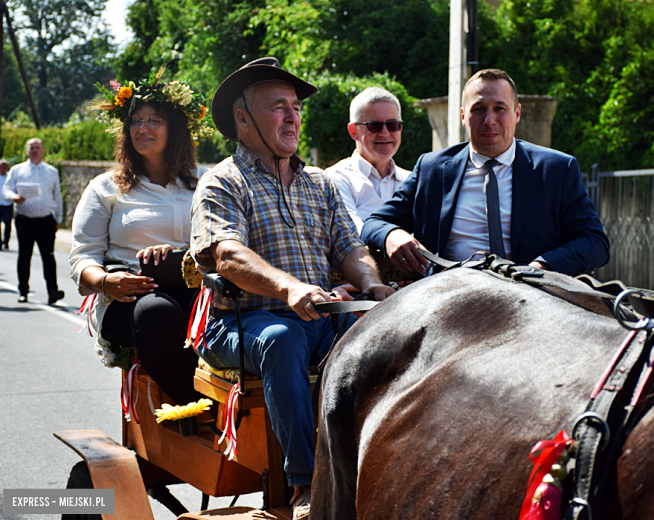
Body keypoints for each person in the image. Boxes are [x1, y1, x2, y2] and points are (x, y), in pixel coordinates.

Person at [191, 57, 394, 520]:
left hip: (317, 317)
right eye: (278, 107)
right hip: (239, 324)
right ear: (242, 120)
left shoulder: (319, 183)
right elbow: (228, 255)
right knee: (281, 340)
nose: (292, 116)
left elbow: (350, 247)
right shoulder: (223, 181)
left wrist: (373, 286)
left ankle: (372, 466)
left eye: (296, 107)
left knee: (381, 336)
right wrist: (289, 288)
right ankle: (306, 483)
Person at [362, 68, 610, 277]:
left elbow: (595, 242)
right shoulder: (432, 169)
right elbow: (374, 223)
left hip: (532, 298)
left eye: (500, 108)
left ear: (517, 114)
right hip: (447, 297)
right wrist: (391, 235)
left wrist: (540, 267)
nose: (489, 120)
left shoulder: (556, 169)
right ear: (462, 116)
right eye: (478, 109)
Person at [69, 73, 212, 405]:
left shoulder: (205, 181)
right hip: (130, 298)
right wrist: (106, 281)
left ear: (175, 129)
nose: (141, 128)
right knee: (155, 314)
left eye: (153, 120)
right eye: (135, 120)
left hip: (198, 292)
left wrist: (181, 255)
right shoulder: (107, 187)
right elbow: (82, 257)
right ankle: (192, 408)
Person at [325, 87, 410, 233]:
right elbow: (353, 237)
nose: (385, 133)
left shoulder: (411, 180)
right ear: (354, 131)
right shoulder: (335, 179)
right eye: (374, 126)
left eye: (392, 125)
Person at [2, 138, 64, 303]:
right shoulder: (17, 170)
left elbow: (57, 196)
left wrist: (58, 218)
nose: (35, 150)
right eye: (32, 148)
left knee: (48, 256)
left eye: (38, 148)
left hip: (45, 221)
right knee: (24, 256)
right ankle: (23, 290)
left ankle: (52, 290)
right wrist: (14, 197)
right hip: (25, 220)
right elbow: (6, 189)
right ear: (26, 151)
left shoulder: (51, 171)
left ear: (43, 150)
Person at [0, 159, 13, 250]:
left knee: (7, 223)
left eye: (4, 167)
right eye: (1, 167)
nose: (2, 169)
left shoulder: (10, 177)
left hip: (7, 204)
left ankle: (6, 241)